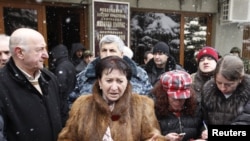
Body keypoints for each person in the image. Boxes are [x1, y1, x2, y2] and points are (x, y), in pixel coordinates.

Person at [58, 56, 167, 141]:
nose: (114, 87)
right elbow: (67, 138)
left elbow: (154, 137)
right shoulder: (82, 105)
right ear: (100, 82)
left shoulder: (142, 105)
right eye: (109, 80)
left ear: (127, 82)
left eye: (120, 81)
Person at [0, 28, 62, 141]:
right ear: (20, 53)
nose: (46, 55)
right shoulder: (2, 85)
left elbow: (63, 116)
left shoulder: (50, 78)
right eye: (40, 49)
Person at [68, 35, 152, 106]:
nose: (108, 54)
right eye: (104, 50)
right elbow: (72, 105)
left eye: (112, 50)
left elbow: (149, 103)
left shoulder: (139, 75)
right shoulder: (84, 77)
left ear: (121, 54)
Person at [150, 70, 207, 141]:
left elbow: (201, 126)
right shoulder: (152, 110)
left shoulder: (195, 107)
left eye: (183, 98)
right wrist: (164, 139)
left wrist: (203, 135)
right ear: (164, 95)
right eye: (174, 98)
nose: (178, 102)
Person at [201, 54, 250, 125]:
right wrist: (203, 129)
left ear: (240, 79)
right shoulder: (208, 90)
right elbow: (202, 118)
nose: (223, 88)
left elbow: (246, 121)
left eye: (228, 84)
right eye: (219, 82)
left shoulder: (248, 92)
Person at [49, 44, 77, 126]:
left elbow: (61, 86)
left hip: (64, 102)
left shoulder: (61, 67)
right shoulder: (69, 64)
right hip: (70, 99)